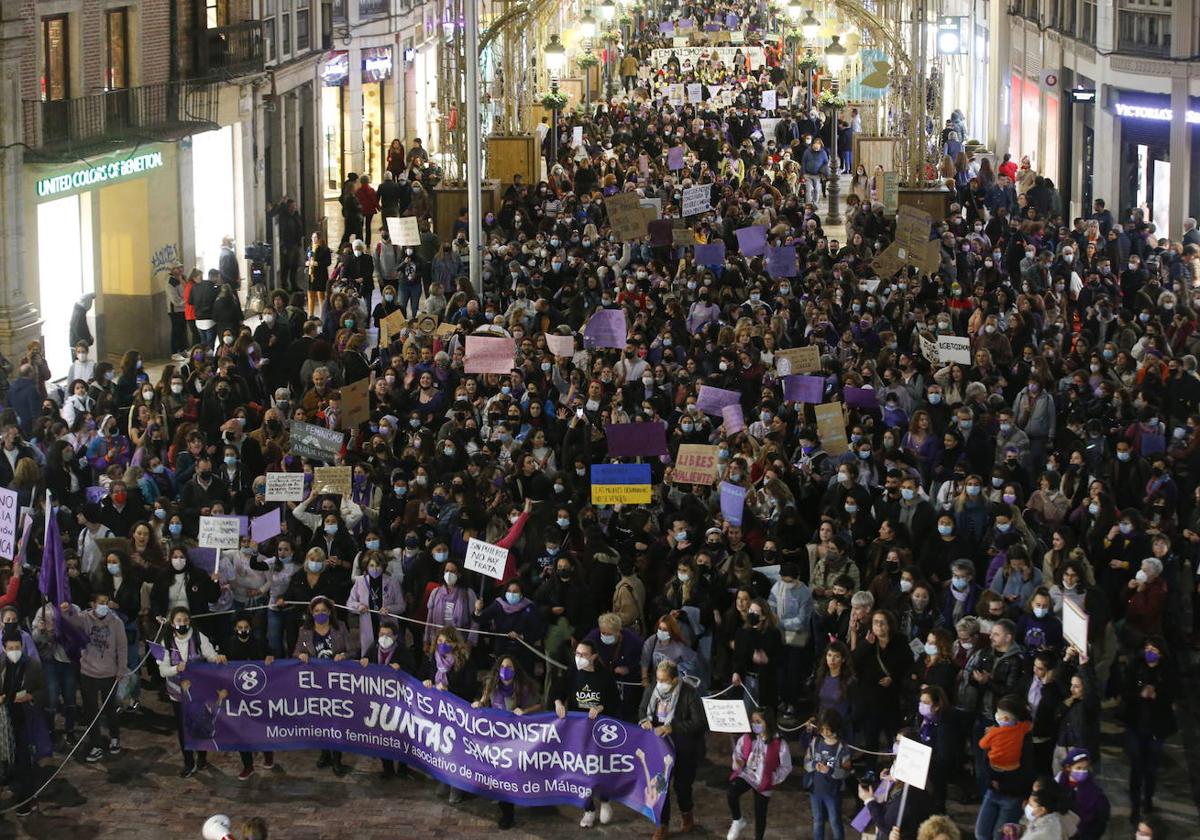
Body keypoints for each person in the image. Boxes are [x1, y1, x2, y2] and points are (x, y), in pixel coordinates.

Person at [555, 639, 619, 828]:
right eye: (577, 654)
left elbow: (615, 702)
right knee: (582, 771)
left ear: (593, 657)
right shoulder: (572, 672)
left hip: (600, 732)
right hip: (578, 731)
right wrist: (558, 702)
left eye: (583, 655)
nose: (579, 658)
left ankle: (605, 800)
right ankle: (589, 809)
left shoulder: (604, 676)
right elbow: (558, 691)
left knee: (601, 768)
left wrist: (600, 707)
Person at [638, 659, 705, 839]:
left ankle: (687, 814)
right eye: (658, 679)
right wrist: (644, 720)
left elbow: (699, 722)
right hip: (659, 745)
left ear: (675, 680)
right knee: (661, 786)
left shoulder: (689, 693)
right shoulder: (653, 688)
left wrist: (672, 727)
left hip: (683, 746)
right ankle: (663, 824)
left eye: (664, 680)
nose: (660, 684)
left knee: (682, 786)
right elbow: (643, 709)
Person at [156, 606, 225, 777]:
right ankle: (188, 762)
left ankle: (202, 756)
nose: (183, 624)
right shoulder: (165, 642)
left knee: (201, 726)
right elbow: (163, 671)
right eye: (179, 621)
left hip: (198, 692)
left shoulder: (198, 637)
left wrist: (218, 658)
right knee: (183, 729)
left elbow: (210, 655)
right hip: (178, 694)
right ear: (172, 623)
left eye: (186, 620)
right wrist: (176, 669)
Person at [60, 592, 127, 763]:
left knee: (110, 708)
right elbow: (71, 622)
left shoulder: (116, 622)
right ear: (93, 604)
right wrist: (66, 612)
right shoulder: (85, 618)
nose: (104, 605)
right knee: (91, 710)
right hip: (88, 672)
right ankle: (96, 744)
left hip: (109, 673)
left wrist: (121, 669)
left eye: (106, 602)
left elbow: (122, 647)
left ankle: (114, 737)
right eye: (100, 602)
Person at [1, 625, 47, 816]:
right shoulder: (1, 665)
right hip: (4, 721)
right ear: (4, 649)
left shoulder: (33, 666)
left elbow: (43, 691)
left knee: (23, 761)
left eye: (17, 648)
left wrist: (30, 697)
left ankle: (25, 799)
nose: (14, 652)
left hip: (23, 718)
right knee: (5, 761)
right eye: (10, 649)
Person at [726, 706, 792, 840]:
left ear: (767, 722)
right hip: (748, 774)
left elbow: (786, 766)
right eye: (753, 721)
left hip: (765, 779)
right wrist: (739, 762)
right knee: (731, 793)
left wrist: (773, 777)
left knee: (760, 813)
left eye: (758, 721)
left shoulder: (779, 743)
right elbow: (738, 753)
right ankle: (738, 820)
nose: (754, 724)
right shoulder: (747, 737)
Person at [805, 708, 852, 840]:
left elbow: (846, 772)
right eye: (822, 729)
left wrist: (830, 771)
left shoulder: (842, 748)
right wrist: (814, 765)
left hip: (833, 793)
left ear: (835, 727)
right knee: (817, 821)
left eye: (828, 729)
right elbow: (806, 762)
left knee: (835, 822)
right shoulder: (816, 742)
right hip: (815, 791)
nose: (824, 732)